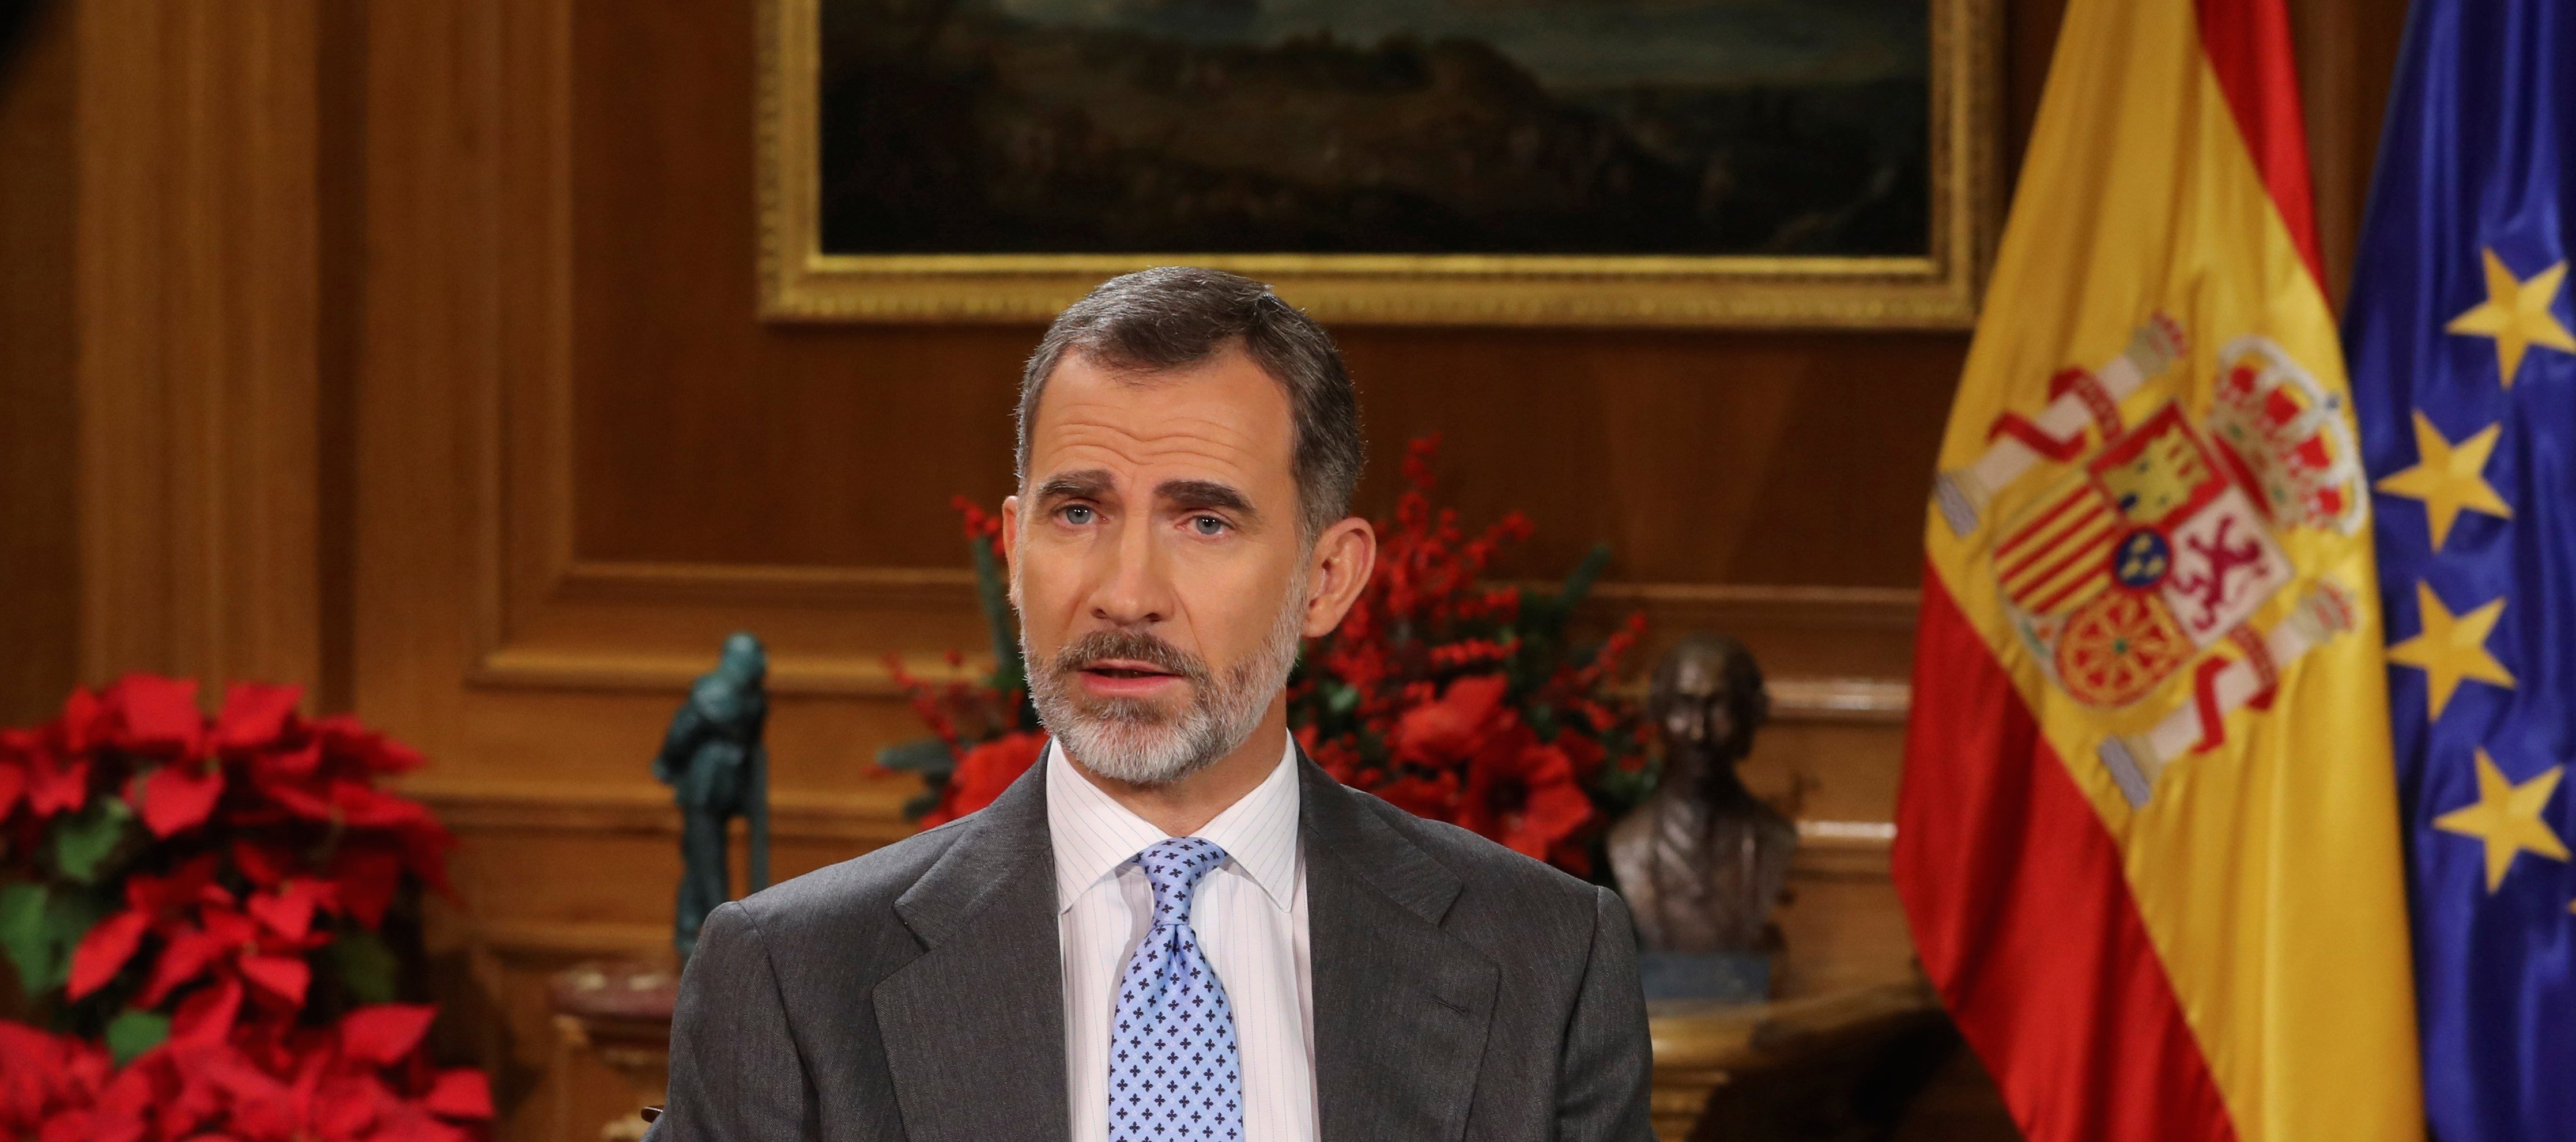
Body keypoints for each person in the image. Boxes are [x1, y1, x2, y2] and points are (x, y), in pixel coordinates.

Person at [648, 266, 1653, 1142]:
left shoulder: (1544, 963)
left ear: (1328, 577)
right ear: (1011, 549)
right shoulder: (792, 977)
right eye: (1078, 512)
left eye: (1204, 520)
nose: (1125, 591)